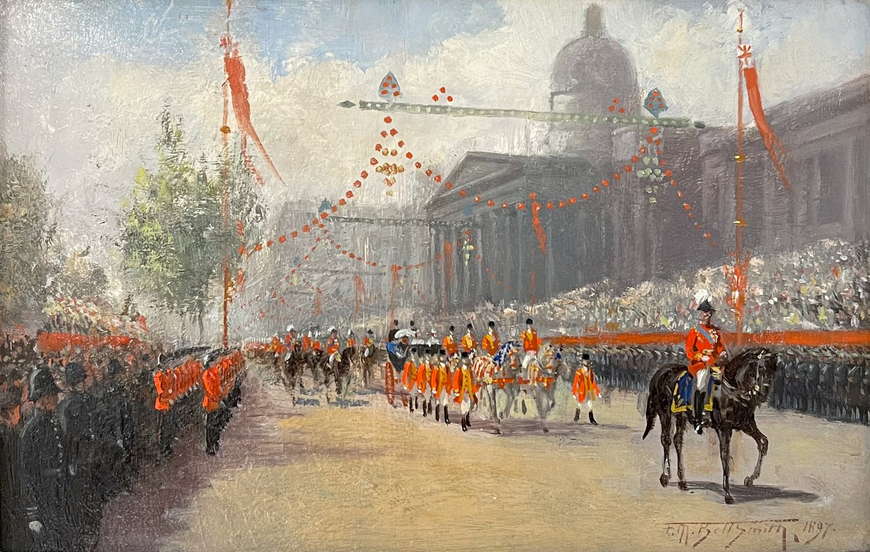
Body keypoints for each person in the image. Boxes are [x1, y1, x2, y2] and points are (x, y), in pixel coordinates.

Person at [21, 367, 68, 551]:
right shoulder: (31, 431)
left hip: (58, 493)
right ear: (44, 398)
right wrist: (33, 514)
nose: (56, 399)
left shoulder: (53, 423)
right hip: (43, 497)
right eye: (53, 395)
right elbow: (26, 474)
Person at [685, 299, 726, 435]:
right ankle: (698, 418)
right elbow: (689, 351)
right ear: (701, 314)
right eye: (705, 312)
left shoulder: (716, 332)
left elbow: (719, 347)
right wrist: (701, 357)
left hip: (714, 364)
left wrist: (723, 353)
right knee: (702, 383)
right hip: (700, 365)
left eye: (709, 313)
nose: (707, 315)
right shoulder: (695, 332)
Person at [572, 353, 601, 425]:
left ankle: (592, 419)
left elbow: (593, 382)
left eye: (587, 360)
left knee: (590, 404)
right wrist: (574, 392)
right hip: (582, 390)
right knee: (580, 404)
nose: (586, 362)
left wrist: (597, 392)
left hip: (588, 390)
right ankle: (577, 415)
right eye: (585, 360)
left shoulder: (591, 372)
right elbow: (575, 383)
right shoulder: (579, 372)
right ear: (583, 361)